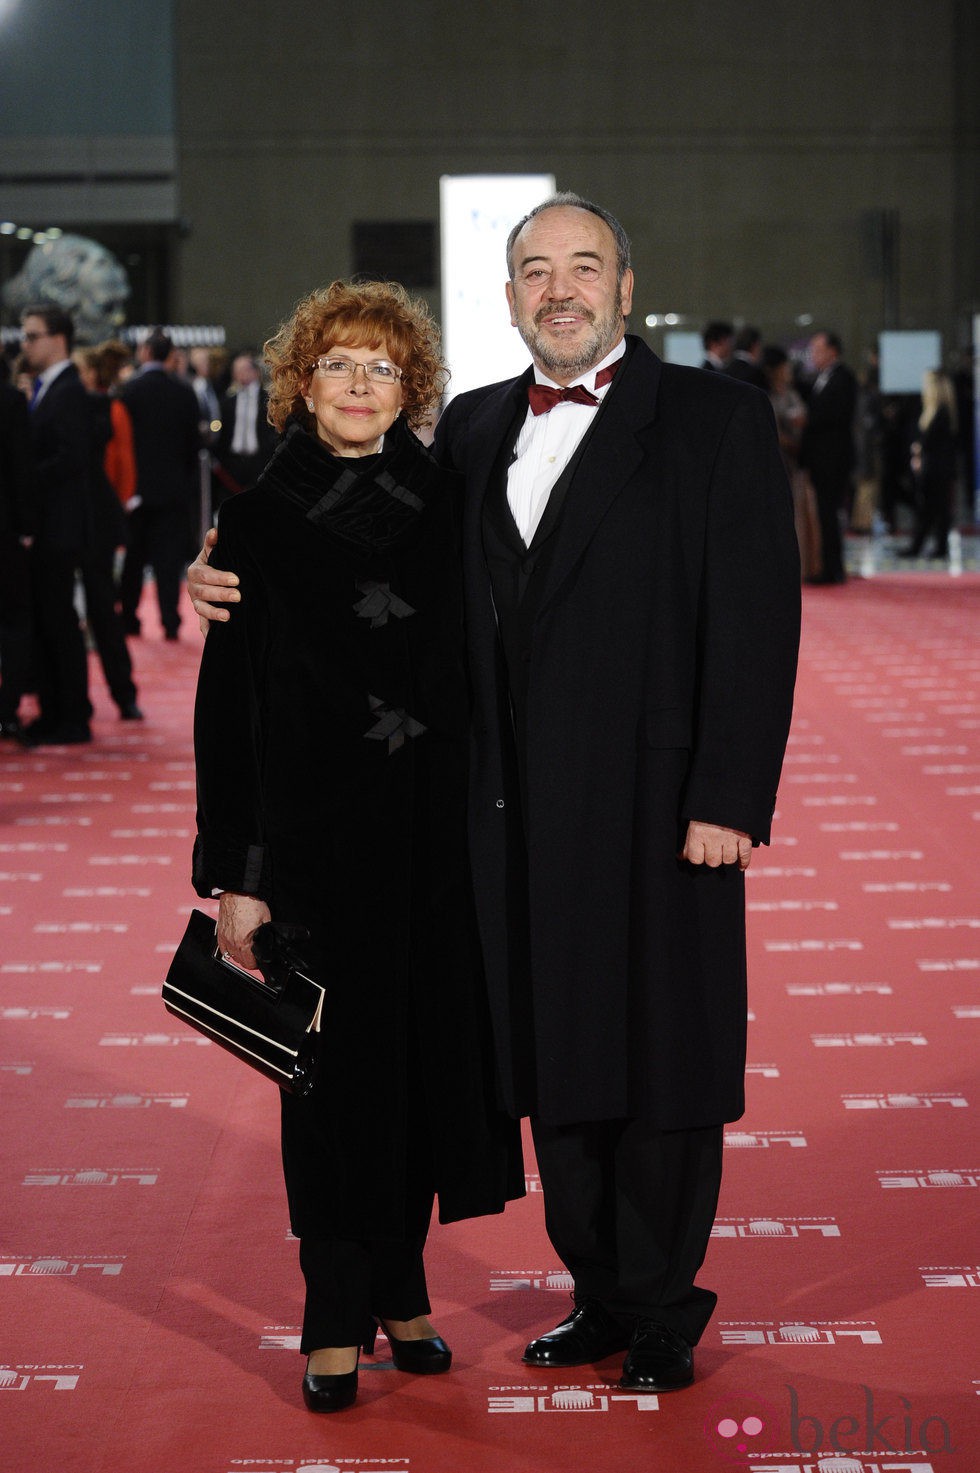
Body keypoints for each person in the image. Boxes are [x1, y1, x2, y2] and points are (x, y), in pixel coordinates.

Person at [189, 194, 800, 1395]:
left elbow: (755, 623)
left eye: (583, 266)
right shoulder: (467, 432)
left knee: (662, 1058)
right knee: (551, 1051)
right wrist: (214, 568)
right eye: (534, 270)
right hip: (499, 816)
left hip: (661, 808)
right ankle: (595, 1293)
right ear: (510, 294)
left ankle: (661, 1304)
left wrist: (728, 793)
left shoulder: (714, 420)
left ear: (627, 288)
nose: (558, 288)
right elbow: (338, 535)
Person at [190, 280, 523, 1414]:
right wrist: (236, 875)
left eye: (382, 367)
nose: (358, 384)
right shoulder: (254, 514)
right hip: (311, 852)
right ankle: (333, 1307)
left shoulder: (450, 500)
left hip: (435, 848)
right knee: (327, 1087)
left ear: (409, 388)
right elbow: (225, 714)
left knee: (422, 1077)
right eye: (338, 363)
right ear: (300, 379)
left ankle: (399, 1282)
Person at [18, 304, 95, 746]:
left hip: (58, 525)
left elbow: (70, 458)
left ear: (58, 338)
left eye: (33, 336)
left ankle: (70, 715)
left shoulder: (68, 390)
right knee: (50, 619)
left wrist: (23, 478)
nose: (26, 344)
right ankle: (56, 710)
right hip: (50, 523)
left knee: (59, 621)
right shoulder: (50, 388)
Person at [73, 346, 142, 721]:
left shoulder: (111, 410)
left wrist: (119, 507)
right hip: (82, 521)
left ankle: (123, 693)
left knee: (103, 611)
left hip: (99, 523)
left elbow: (123, 464)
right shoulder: (79, 408)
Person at [119, 330, 201, 640]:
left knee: (134, 559)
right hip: (173, 491)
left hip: (136, 492)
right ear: (168, 356)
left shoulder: (130, 391)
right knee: (169, 562)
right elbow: (193, 446)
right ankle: (170, 621)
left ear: (144, 353)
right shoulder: (184, 392)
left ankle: (129, 618)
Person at [799, 330, 857, 584]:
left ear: (833, 351)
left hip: (833, 458)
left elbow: (835, 415)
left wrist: (807, 420)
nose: (814, 355)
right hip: (821, 458)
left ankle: (832, 569)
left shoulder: (843, 377)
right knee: (824, 514)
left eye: (818, 350)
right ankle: (829, 566)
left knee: (829, 513)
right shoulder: (821, 377)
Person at [0, 358, 37, 739]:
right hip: (6, 532)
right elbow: (20, 468)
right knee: (13, 620)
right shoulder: (10, 401)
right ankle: (7, 710)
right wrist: (27, 527)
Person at [763, 344, 817, 580]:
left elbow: (802, 419)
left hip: (793, 462)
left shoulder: (791, 393)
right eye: (784, 368)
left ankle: (802, 566)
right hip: (777, 459)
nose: (788, 371)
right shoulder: (766, 395)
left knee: (798, 514)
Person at [900, 369, 958, 559]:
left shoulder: (940, 413)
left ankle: (926, 547)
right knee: (934, 510)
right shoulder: (936, 411)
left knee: (934, 509)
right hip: (934, 468)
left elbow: (929, 441)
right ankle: (929, 546)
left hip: (937, 469)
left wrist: (918, 450)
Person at [213, 349, 278, 509]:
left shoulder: (268, 400)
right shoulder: (227, 401)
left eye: (243, 369)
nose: (239, 374)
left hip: (260, 462)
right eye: (236, 370)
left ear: (255, 372)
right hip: (232, 465)